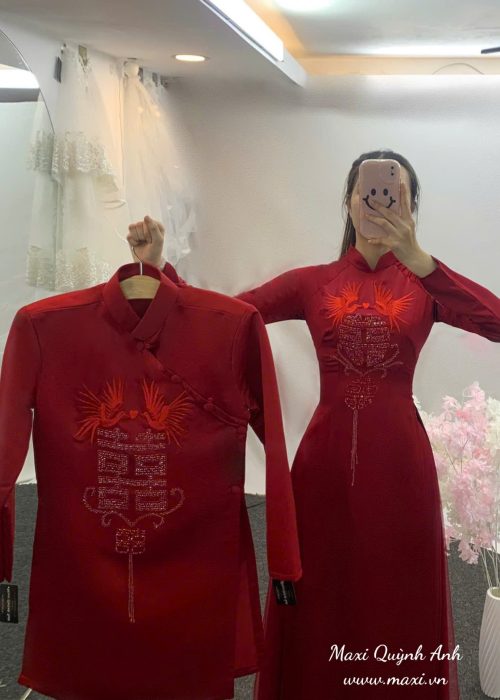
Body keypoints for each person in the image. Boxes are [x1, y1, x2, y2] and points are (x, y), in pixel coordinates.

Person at [126, 150, 500, 699]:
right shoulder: (314, 282)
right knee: (320, 588)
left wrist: (421, 261)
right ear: (348, 201)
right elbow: (223, 320)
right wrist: (159, 271)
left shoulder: (426, 284)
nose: (377, 203)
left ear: (410, 206)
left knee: (400, 589)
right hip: (323, 466)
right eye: (367, 192)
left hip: (402, 469)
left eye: (393, 194)